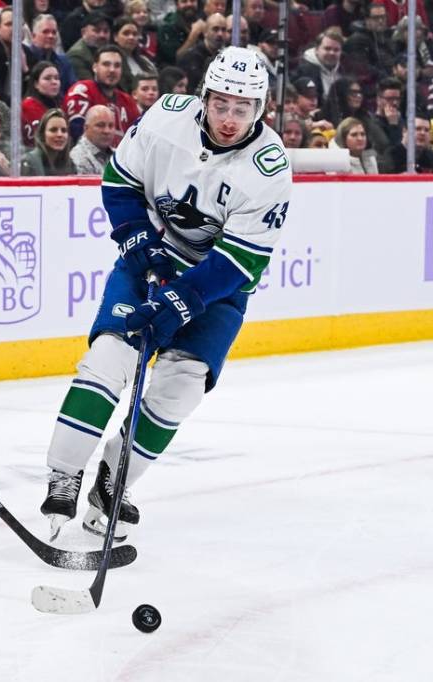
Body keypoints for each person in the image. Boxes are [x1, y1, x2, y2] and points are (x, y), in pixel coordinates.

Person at [39, 46, 291, 542]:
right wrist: (135, 237)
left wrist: (178, 302)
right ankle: (63, 476)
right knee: (110, 359)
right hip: (151, 258)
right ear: (205, 97)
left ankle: (115, 482)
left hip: (217, 287)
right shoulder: (166, 119)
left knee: (182, 386)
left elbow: (239, 261)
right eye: (221, 103)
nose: (229, 118)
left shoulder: (269, 168)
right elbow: (120, 182)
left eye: (243, 108)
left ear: (260, 108)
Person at [64, 45, 140, 143]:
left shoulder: (128, 101)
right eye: (106, 64)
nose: (112, 70)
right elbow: (77, 135)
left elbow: (137, 138)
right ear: (95, 67)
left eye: (117, 65)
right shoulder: (82, 91)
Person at [21, 107, 75, 175]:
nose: (60, 134)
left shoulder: (71, 165)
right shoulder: (29, 163)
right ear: (42, 135)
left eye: (64, 130)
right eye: (53, 130)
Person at [21, 60, 62, 144]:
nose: (54, 82)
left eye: (57, 78)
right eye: (47, 78)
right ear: (36, 84)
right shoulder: (27, 106)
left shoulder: (60, 106)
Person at [69, 104, 114, 174]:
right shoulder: (78, 157)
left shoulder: (119, 156)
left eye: (111, 126)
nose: (107, 131)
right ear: (86, 128)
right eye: (100, 125)